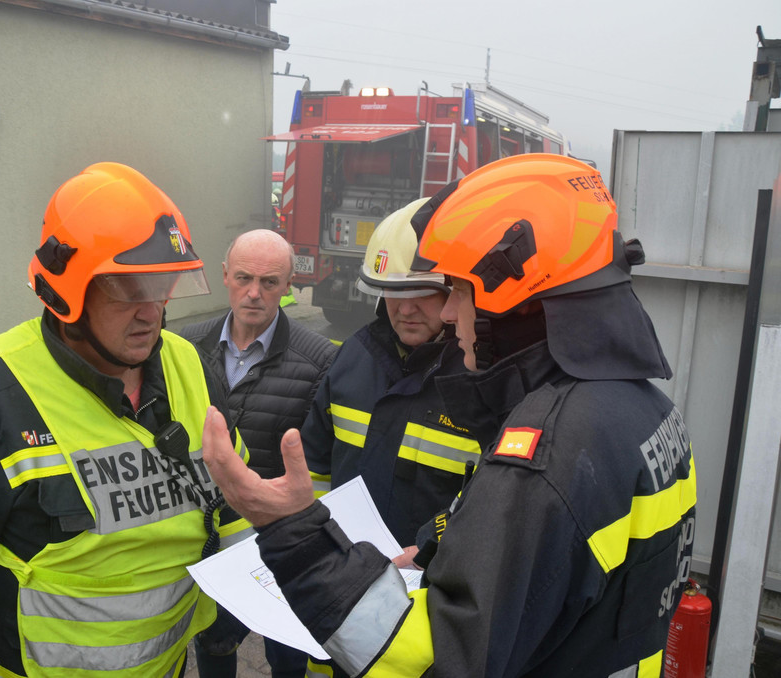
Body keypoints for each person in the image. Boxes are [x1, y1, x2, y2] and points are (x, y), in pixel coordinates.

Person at [200, 154, 697, 677]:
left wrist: (297, 540)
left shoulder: (546, 454)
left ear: (513, 302)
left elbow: (434, 657)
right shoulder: (646, 410)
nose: (449, 312)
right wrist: (445, 542)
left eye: (457, 292)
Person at [0, 162, 249, 678]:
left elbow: (233, 497)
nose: (151, 311)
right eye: (129, 289)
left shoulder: (190, 366)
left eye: (163, 285)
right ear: (68, 293)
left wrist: (241, 601)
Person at [179, 228, 337, 678]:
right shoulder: (185, 347)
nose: (254, 293)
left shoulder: (320, 359)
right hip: (208, 535)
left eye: (269, 282)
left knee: (287, 654)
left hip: (278, 538)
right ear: (224, 275)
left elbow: (319, 455)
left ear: (288, 285)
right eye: (244, 278)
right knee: (213, 642)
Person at [301, 197, 479, 561]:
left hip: (433, 575)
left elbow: (491, 500)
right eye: (395, 291)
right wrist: (317, 540)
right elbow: (314, 468)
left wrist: (433, 548)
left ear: (457, 292)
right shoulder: (353, 358)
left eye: (424, 292)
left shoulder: (481, 380)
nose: (406, 308)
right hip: (345, 565)